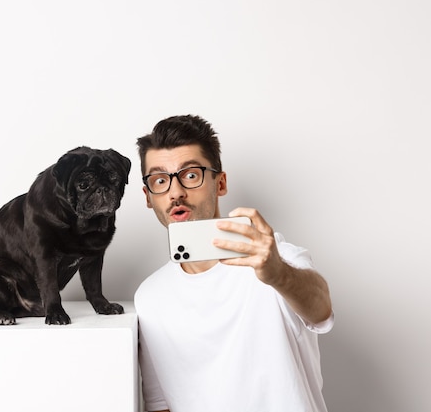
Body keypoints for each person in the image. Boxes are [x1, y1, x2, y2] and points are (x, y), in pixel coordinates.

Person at [134, 115, 334, 412]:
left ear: (221, 182)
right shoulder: (149, 297)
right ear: (149, 197)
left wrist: (279, 274)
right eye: (160, 180)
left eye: (190, 175)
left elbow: (321, 311)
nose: (175, 192)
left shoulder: (274, 258)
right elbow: (160, 404)